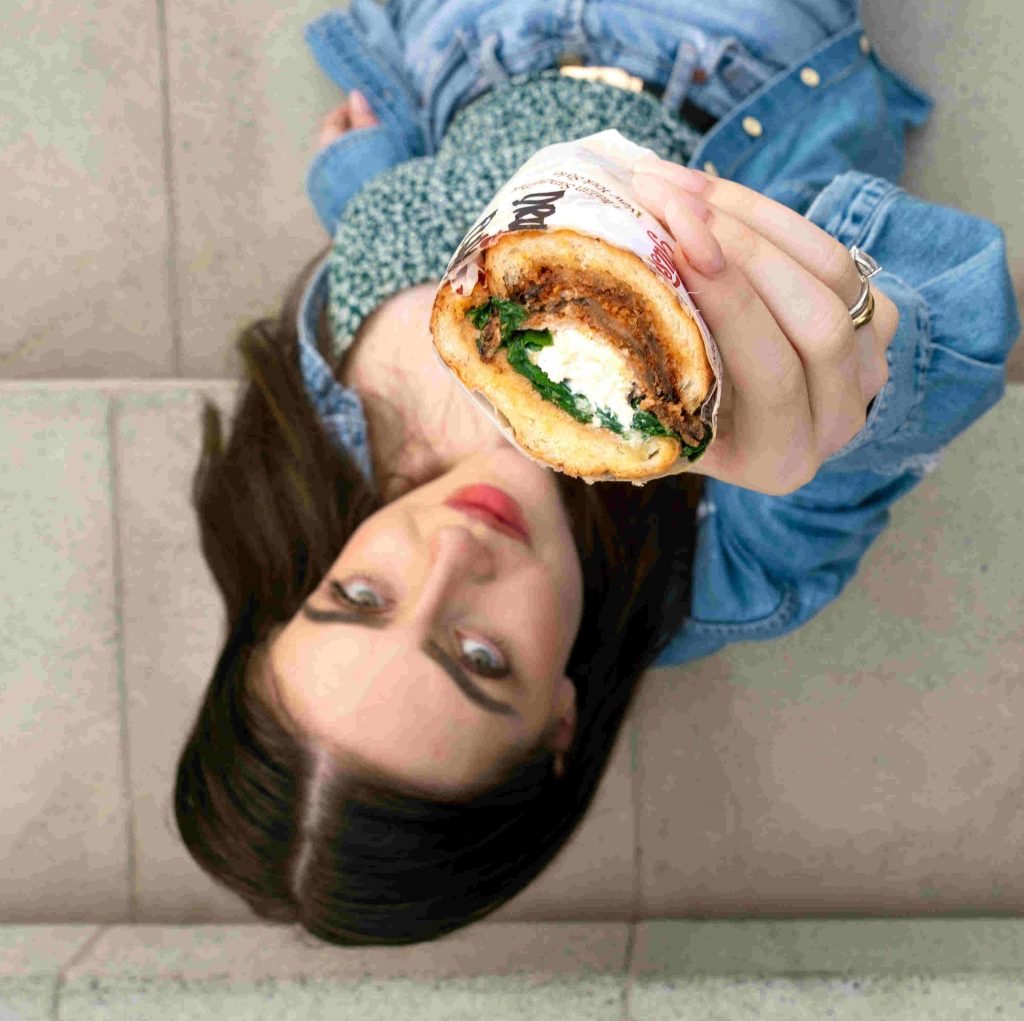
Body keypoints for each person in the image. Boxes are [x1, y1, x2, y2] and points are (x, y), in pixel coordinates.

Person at [173, 0, 1020, 946]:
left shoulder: (329, 432)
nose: (454, 551)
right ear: (560, 724)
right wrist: (854, 375)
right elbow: (950, 321)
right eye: (481, 658)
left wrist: (361, 180)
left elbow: (402, 210)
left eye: (361, 594)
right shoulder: (731, 562)